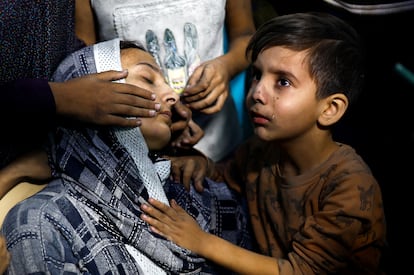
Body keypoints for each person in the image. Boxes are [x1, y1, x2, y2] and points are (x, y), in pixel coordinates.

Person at [140, 12, 387, 274]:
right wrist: (200, 164)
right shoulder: (261, 151)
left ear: (330, 109)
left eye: (283, 82)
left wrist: (201, 242)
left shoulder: (350, 188)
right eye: (257, 75)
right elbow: (228, 177)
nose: (257, 93)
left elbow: (298, 271)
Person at [1, 38, 251, 274]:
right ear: (90, 100)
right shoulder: (43, 222)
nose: (173, 96)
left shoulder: (190, 190)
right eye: (148, 79)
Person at [76, 0, 256, 162]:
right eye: (147, 77)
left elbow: (246, 36)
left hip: (219, 140)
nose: (173, 98)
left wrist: (226, 67)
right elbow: (84, 66)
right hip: (133, 148)